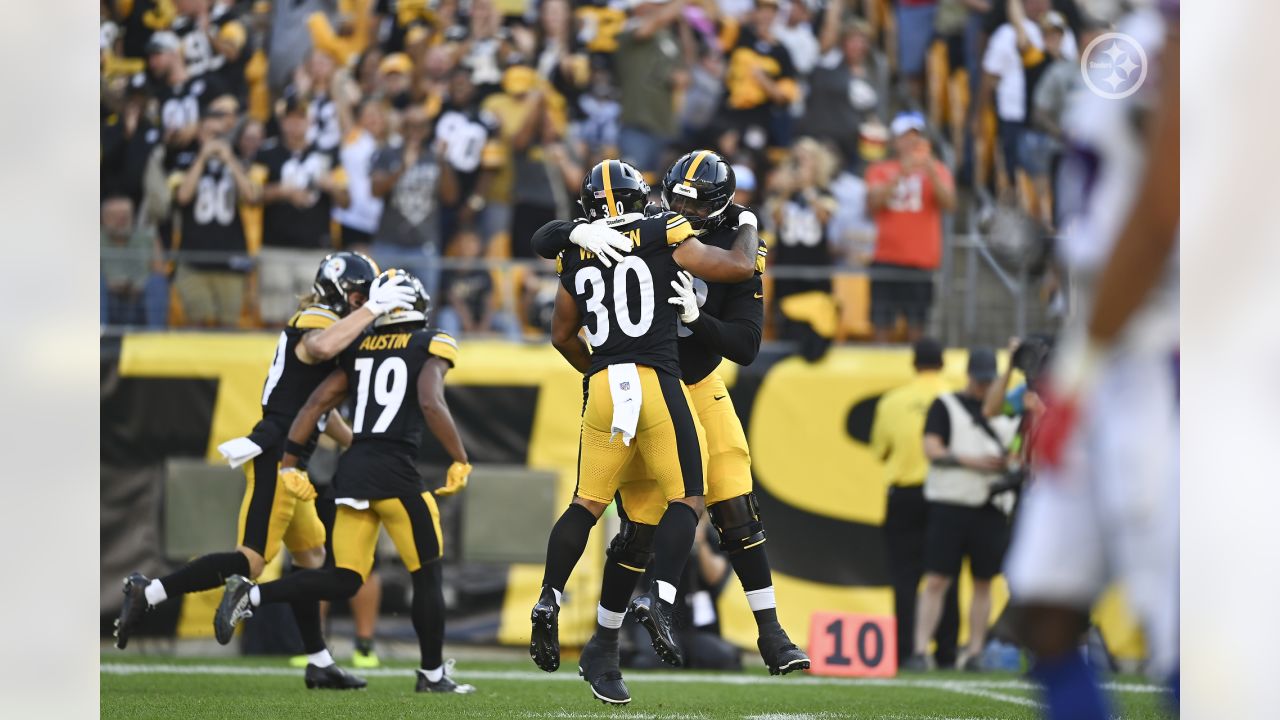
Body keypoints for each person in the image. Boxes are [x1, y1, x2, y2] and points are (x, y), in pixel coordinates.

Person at [531, 151, 807, 704]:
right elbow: (559, 239)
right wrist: (577, 228)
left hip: (695, 382)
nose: (680, 205)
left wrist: (694, 320)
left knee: (732, 496)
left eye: (692, 200)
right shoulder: (654, 222)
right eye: (674, 196)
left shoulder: (732, 240)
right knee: (641, 524)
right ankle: (605, 645)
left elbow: (747, 345)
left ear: (722, 205)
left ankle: (770, 631)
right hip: (652, 379)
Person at [113, 252, 416, 690]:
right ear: (336, 290)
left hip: (295, 465)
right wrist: (374, 308)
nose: (359, 303)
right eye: (356, 295)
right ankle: (149, 592)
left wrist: (362, 445)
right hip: (276, 456)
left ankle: (319, 660)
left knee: (313, 559)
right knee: (250, 560)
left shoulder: (326, 322)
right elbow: (321, 346)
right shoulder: (314, 319)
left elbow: (320, 413)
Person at [1007, 3, 1180, 717]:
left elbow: (1162, 208)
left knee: (1187, 630)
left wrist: (1076, 373)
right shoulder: (1137, 36)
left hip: (1162, 357)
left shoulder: (1200, 36)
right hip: (1103, 346)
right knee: (1044, 603)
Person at [213, 270, 477, 695]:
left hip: (352, 472)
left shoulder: (358, 347)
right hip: (397, 474)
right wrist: (460, 457)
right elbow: (430, 399)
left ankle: (252, 596)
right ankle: (431, 675)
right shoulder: (431, 342)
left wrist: (290, 463)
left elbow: (316, 403)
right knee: (427, 574)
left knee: (344, 577)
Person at [907, 348, 1017, 671]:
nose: (984, 388)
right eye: (980, 381)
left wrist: (1008, 463)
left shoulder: (1008, 410)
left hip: (990, 505)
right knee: (937, 580)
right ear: (969, 377)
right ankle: (919, 649)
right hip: (951, 503)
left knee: (984, 582)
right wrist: (975, 461)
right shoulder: (946, 405)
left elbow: (1018, 450)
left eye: (989, 382)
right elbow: (932, 449)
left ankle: (975, 652)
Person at [869, 337, 960, 667]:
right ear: (943, 363)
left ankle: (907, 652)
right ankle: (947, 653)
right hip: (946, 493)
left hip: (904, 495)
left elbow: (880, 450)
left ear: (913, 364)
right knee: (945, 575)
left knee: (905, 578)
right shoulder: (955, 398)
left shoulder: (893, 401)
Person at [253, 93, 351, 325]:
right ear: (282, 121)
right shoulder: (267, 153)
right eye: (290, 118)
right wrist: (281, 192)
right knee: (274, 317)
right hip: (276, 247)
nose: (295, 124)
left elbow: (347, 200)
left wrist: (332, 187)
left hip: (314, 248)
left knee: (313, 319)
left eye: (301, 118)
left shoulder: (327, 155)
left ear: (310, 122)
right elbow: (252, 194)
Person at [865, 112, 956, 342]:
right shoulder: (880, 169)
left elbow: (950, 204)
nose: (911, 143)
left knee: (918, 328)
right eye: (905, 137)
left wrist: (931, 170)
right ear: (895, 141)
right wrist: (901, 173)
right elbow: (873, 204)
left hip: (921, 261)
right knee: (881, 325)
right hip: (887, 258)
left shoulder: (937, 169)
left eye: (915, 137)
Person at [169, 96, 256, 328]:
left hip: (230, 257)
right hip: (193, 256)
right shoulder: (184, 159)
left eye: (219, 134)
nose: (215, 139)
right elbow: (183, 196)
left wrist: (229, 159)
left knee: (228, 326)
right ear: (199, 131)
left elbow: (250, 196)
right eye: (210, 133)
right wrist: (202, 158)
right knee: (197, 323)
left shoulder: (239, 159)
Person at [370, 103, 459, 301]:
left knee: (424, 306)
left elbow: (450, 197)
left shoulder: (435, 158)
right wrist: (402, 167)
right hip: (389, 242)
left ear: (428, 130)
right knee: (379, 303)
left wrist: (443, 161)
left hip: (424, 244)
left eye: (421, 126)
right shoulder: (389, 153)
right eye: (410, 126)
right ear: (402, 128)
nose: (415, 132)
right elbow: (375, 190)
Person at [101, 195, 167, 327]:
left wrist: (135, 287)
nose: (121, 221)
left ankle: (156, 336)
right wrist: (112, 285)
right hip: (108, 302)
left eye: (125, 216)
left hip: (139, 301)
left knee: (157, 282)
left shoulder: (147, 237)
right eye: (115, 216)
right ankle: (99, 334)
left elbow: (160, 271)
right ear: (103, 219)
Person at [332, 99, 389, 252]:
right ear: (359, 120)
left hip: (382, 224)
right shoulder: (355, 139)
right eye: (369, 115)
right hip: (352, 218)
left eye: (378, 115)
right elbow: (342, 110)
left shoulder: (392, 144)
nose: (374, 119)